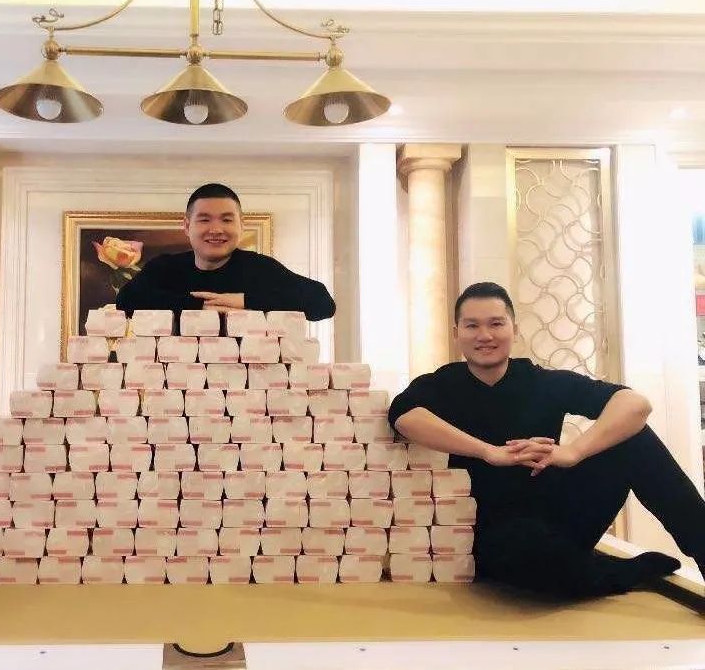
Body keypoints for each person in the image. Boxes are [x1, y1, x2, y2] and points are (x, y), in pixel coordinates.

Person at [389, 281, 705, 597]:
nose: (484, 335)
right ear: (456, 333)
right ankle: (619, 572)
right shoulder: (443, 384)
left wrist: (573, 452)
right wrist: (488, 452)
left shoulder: (542, 381)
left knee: (633, 439)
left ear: (514, 330)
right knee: (533, 563)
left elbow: (636, 404)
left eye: (496, 324)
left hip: (560, 513)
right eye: (472, 326)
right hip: (495, 531)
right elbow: (403, 415)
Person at [115, 183, 335, 321]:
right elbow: (126, 300)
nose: (216, 229)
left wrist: (243, 300)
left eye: (227, 220)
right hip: (175, 381)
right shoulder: (164, 268)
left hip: (252, 381)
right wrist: (200, 306)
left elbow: (322, 303)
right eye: (204, 220)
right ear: (187, 226)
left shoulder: (261, 268)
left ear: (241, 225)